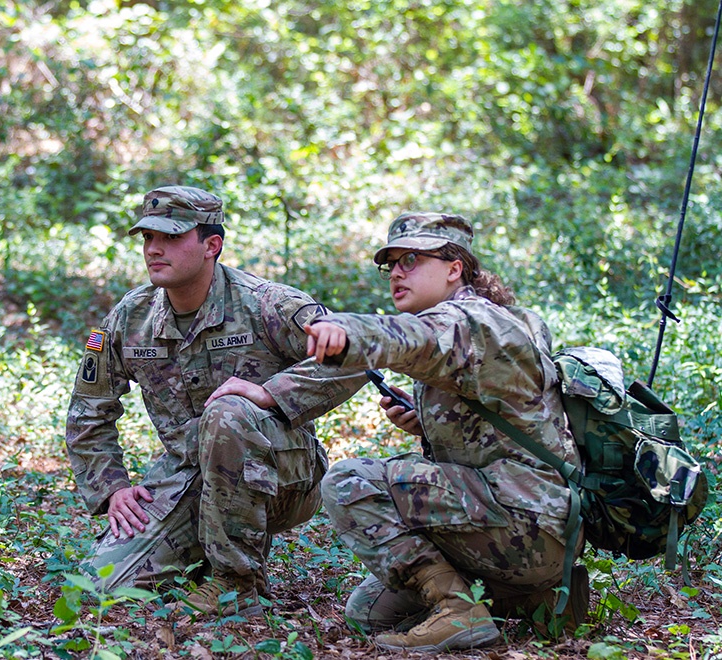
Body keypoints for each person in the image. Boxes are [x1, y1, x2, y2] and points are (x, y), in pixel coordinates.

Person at [64, 185, 365, 617]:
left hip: (284, 475)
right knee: (99, 587)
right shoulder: (131, 318)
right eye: (148, 238)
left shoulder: (267, 304)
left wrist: (269, 394)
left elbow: (353, 358)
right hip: (191, 475)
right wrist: (111, 488)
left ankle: (237, 585)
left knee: (228, 412)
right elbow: (89, 409)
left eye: (171, 237)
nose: (154, 249)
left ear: (212, 245)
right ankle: (207, 548)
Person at [305, 212, 588, 652]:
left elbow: (409, 338)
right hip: (536, 524)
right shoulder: (476, 325)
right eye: (391, 264)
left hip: (529, 523)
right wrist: (426, 427)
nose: (397, 272)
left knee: (348, 480)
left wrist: (346, 330)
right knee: (367, 610)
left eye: (412, 259)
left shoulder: (474, 322)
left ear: (455, 268)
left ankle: (459, 609)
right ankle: (528, 596)